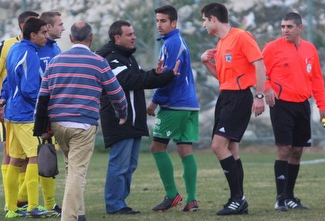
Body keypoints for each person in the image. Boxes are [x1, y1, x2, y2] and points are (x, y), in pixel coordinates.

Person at [33, 21, 128, 221]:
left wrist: (40, 127)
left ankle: (80, 213)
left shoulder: (55, 61)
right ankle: (69, 217)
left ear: (70, 38)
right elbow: (116, 93)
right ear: (91, 38)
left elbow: (43, 98)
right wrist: (123, 113)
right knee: (78, 173)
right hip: (83, 125)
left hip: (58, 124)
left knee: (71, 167)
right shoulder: (98, 62)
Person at [96, 20, 180, 215]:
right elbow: (131, 80)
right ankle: (114, 205)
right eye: (129, 34)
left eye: (133, 33)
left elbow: (142, 76)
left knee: (130, 165)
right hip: (120, 120)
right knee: (119, 164)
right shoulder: (111, 59)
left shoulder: (128, 58)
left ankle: (120, 202)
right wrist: (164, 76)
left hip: (132, 121)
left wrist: (161, 74)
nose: (134, 37)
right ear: (117, 38)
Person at [200, 2, 266, 215]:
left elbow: (259, 64)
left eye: (204, 20)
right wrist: (206, 63)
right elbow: (222, 78)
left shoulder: (241, 36)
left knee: (218, 146)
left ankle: (238, 199)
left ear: (213, 19)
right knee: (231, 149)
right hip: (225, 96)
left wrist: (259, 95)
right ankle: (238, 200)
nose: (203, 25)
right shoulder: (220, 44)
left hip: (240, 97)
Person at [261, 12, 325, 211]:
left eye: (289, 26)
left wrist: (322, 107)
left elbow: (316, 79)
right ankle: (280, 199)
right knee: (284, 149)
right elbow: (258, 71)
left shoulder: (310, 49)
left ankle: (290, 197)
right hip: (281, 105)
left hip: (302, 105)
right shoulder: (272, 48)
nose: (285, 30)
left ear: (300, 28)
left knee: (297, 151)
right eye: (282, 27)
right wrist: (266, 87)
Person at [0, 17, 57, 218]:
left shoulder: (14, 48)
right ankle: (33, 206)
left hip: (12, 114)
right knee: (35, 158)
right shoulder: (30, 53)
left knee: (14, 160)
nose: (46, 37)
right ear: (33, 35)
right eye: (43, 33)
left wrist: (3, 99)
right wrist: (43, 109)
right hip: (26, 115)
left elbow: (7, 81)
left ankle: (11, 209)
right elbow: (29, 90)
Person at [147, 5, 200, 212]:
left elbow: (167, 77)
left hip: (175, 104)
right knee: (185, 149)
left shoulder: (172, 43)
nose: (159, 25)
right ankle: (192, 200)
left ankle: (172, 195)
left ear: (174, 23)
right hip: (190, 104)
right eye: (157, 21)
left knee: (157, 147)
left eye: (163, 21)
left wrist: (154, 102)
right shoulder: (177, 42)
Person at [0, 11, 39, 212]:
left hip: (19, 109)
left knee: (24, 156)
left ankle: (19, 201)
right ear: (24, 27)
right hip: (16, 110)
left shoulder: (40, 47)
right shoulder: (8, 45)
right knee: (12, 154)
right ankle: (16, 201)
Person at [36, 10, 65, 215]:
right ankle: (29, 204)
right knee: (36, 158)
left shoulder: (55, 48)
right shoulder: (37, 50)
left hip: (53, 111)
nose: (63, 27)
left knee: (47, 157)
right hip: (38, 112)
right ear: (47, 27)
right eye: (60, 24)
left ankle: (48, 203)